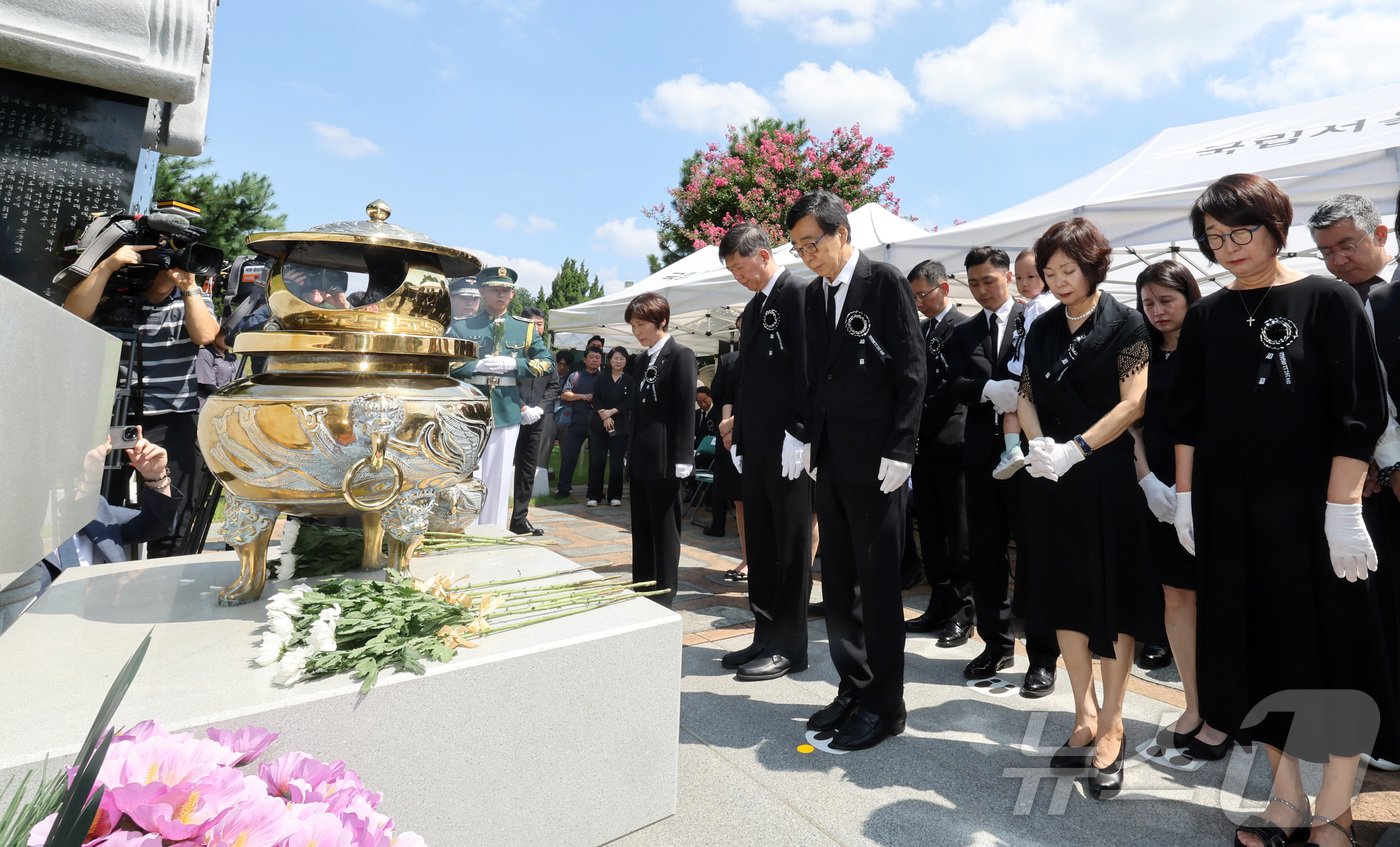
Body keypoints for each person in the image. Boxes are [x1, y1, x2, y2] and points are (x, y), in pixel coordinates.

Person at [1171, 173, 1397, 847]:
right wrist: (1183, 496)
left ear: (1276, 225)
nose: (1229, 248)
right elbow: (1187, 415)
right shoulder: (1208, 315)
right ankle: (1286, 799)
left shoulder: (1327, 299)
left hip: (1312, 507)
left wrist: (1343, 506)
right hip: (1230, 508)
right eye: (1214, 237)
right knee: (1254, 651)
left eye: (1242, 231)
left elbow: (1360, 411)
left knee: (1330, 654)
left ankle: (1334, 810)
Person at [1013, 218, 1157, 801]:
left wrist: (1077, 447)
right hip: (1053, 477)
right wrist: (1039, 444)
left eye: (1068, 271)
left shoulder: (1127, 324)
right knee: (1064, 598)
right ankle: (1083, 712)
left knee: (1112, 599)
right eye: (1049, 274)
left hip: (1105, 477)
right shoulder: (1043, 326)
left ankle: (1116, 720)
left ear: (1094, 266)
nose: (1058, 282)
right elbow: (1024, 393)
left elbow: (1134, 402)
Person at [787, 190, 925, 751]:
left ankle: (886, 705)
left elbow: (912, 367)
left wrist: (902, 446)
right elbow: (815, 378)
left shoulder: (884, 282)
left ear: (842, 232)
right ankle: (853, 685)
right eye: (797, 248)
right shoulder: (816, 295)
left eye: (812, 243)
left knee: (877, 585)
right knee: (839, 582)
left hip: (878, 462)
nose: (806, 255)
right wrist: (805, 439)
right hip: (833, 461)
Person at [946, 246, 1060, 696]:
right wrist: (986, 389)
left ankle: (1043, 655)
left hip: (1030, 456)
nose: (981, 290)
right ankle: (995, 642)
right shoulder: (964, 331)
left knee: (1035, 552)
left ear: (1008, 277)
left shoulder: (1041, 316)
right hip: (980, 458)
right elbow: (952, 383)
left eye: (988, 281)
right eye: (973, 283)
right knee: (986, 552)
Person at [63, 242, 219, 557]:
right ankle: (100, 569)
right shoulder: (115, 296)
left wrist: (187, 286)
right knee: (100, 506)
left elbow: (205, 335)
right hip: (111, 415)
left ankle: (166, 583)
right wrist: (106, 266)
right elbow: (72, 313)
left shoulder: (192, 299)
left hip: (172, 418)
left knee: (173, 510)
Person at [717, 224, 813, 682]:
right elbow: (752, 379)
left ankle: (790, 645)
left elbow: (808, 371)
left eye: (739, 266)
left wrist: (800, 431)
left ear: (762, 254)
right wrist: (740, 431)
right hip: (756, 444)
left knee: (790, 545)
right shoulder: (756, 305)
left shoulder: (798, 293)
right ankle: (764, 633)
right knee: (761, 542)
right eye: (731, 270)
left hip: (790, 448)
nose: (738, 276)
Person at [1127, 260, 1214, 753]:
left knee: (1221, 599)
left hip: (1212, 486)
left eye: (1167, 300)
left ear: (1189, 297)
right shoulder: (1139, 353)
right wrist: (1146, 479)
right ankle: (1195, 701)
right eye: (1148, 303)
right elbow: (1128, 421)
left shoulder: (1213, 347)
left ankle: (1230, 705)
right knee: (1176, 596)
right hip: (1156, 486)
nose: (1157, 311)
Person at [0, 428, 180, 633]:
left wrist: (156, 476)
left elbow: (157, 524)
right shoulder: (16, 523)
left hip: (102, 629)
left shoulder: (97, 509)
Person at [447, 266, 553, 529]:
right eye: (495, 289)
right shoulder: (462, 326)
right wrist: (476, 366)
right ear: (482, 292)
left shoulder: (524, 329)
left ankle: (493, 529)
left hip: (506, 408)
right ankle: (464, 527)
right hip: (470, 408)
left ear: (513, 294)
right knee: (469, 473)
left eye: (505, 290)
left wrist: (516, 365)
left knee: (500, 473)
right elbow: (446, 364)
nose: (501, 295)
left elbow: (546, 363)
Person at [903, 259, 973, 647]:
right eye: (913, 296)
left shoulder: (964, 326)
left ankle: (963, 611)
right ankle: (939, 602)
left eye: (922, 295)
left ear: (943, 289)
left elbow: (957, 385)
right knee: (929, 530)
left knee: (959, 534)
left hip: (954, 442)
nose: (918, 303)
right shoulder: (922, 328)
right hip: (925, 445)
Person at [624, 292, 697, 608]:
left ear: (661, 321)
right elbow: (636, 411)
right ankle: (642, 584)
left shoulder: (681, 355)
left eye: (641, 324)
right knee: (641, 525)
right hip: (642, 454)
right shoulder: (640, 360)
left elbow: (685, 409)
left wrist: (684, 456)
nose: (637, 332)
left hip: (667, 456)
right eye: (633, 326)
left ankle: (665, 591)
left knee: (665, 528)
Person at [993, 248, 1058, 478]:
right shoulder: (1044, 302)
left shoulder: (1040, 306)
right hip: (1032, 369)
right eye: (1019, 278)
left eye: (1031, 277)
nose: (1024, 283)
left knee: (1012, 410)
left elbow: (1033, 337)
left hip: (1023, 368)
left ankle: (1012, 450)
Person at [511, 307, 559, 536]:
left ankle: (519, 518)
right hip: (509, 415)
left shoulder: (547, 355)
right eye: (532, 324)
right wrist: (521, 406)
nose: (537, 328)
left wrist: (539, 409)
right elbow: (503, 382)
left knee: (527, 470)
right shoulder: (512, 350)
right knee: (498, 469)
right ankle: (491, 516)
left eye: (540, 324)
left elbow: (554, 385)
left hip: (537, 418)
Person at [587, 346, 634, 507]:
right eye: (615, 358)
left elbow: (630, 402)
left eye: (621, 358)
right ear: (610, 359)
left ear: (626, 361)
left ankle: (615, 495)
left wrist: (612, 412)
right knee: (597, 461)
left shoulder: (629, 380)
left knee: (617, 463)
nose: (618, 361)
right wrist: (603, 415)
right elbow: (596, 397)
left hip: (620, 426)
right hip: (599, 424)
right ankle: (594, 495)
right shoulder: (601, 377)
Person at [704, 347, 741, 537]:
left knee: (721, 477)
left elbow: (717, 392)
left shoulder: (729, 359)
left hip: (727, 425)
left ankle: (718, 524)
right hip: (737, 425)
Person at [557, 348, 603, 499]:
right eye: (591, 357)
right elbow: (564, 395)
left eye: (598, 357)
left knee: (597, 460)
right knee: (569, 457)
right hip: (577, 422)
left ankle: (595, 491)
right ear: (584, 359)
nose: (595, 360)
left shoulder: (604, 378)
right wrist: (582, 396)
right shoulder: (575, 376)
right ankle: (563, 489)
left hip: (597, 424)